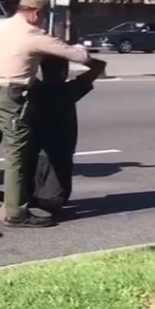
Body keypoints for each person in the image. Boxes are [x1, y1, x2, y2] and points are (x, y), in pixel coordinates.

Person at [0, 0, 92, 228]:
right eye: (44, 15)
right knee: (16, 155)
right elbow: (80, 56)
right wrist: (78, 46)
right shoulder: (34, 36)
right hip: (12, 99)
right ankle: (16, 211)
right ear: (37, 13)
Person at [28, 55, 106, 217]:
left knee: (35, 166)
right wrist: (76, 55)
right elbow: (99, 66)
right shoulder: (70, 90)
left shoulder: (34, 88)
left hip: (35, 141)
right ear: (64, 71)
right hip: (63, 143)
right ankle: (52, 202)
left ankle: (32, 197)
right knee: (58, 171)